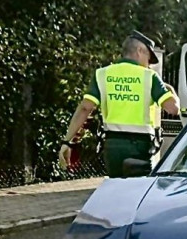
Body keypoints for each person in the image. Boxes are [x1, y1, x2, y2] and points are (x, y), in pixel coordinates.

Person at [60, 31, 180, 177]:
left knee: (116, 189)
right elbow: (173, 109)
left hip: (112, 146)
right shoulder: (149, 77)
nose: (149, 64)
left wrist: (67, 142)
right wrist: (171, 90)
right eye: (149, 58)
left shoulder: (103, 74)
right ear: (140, 50)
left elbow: (85, 108)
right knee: (138, 192)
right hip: (140, 148)